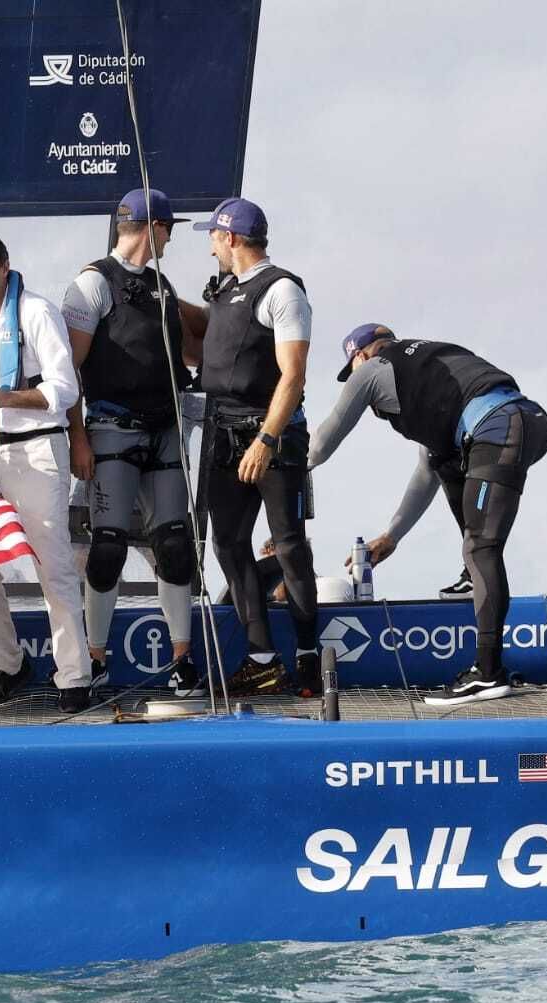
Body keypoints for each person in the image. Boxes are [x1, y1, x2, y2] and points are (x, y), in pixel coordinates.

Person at [310, 324, 547, 705]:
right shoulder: (428, 368)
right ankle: (471, 578)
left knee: (481, 548)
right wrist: (392, 536)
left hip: (499, 427)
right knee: (446, 462)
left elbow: (322, 444)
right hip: (523, 420)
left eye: (351, 367)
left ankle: (488, 673)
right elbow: (428, 472)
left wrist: (271, 457)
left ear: (360, 355)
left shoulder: (373, 371)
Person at [61, 189, 202, 696]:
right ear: (154, 227)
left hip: (164, 429)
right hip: (111, 428)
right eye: (169, 229)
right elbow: (67, 370)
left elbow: (186, 348)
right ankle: (95, 658)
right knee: (108, 548)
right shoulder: (91, 283)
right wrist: (78, 437)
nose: (171, 238)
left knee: (174, 545)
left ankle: (183, 659)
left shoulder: (162, 283)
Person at [0, 230, 94, 713]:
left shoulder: (35, 311)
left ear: (4, 268)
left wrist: (7, 397)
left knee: (52, 565)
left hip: (35, 449)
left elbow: (64, 388)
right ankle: (7, 664)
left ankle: (74, 677)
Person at [191, 197, 321, 695]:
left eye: (213, 238)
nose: (210, 249)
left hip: (273, 437)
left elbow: (294, 376)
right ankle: (263, 658)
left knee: (288, 545)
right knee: (226, 541)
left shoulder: (282, 290)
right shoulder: (226, 290)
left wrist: (266, 440)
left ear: (231, 239)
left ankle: (309, 657)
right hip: (223, 435)